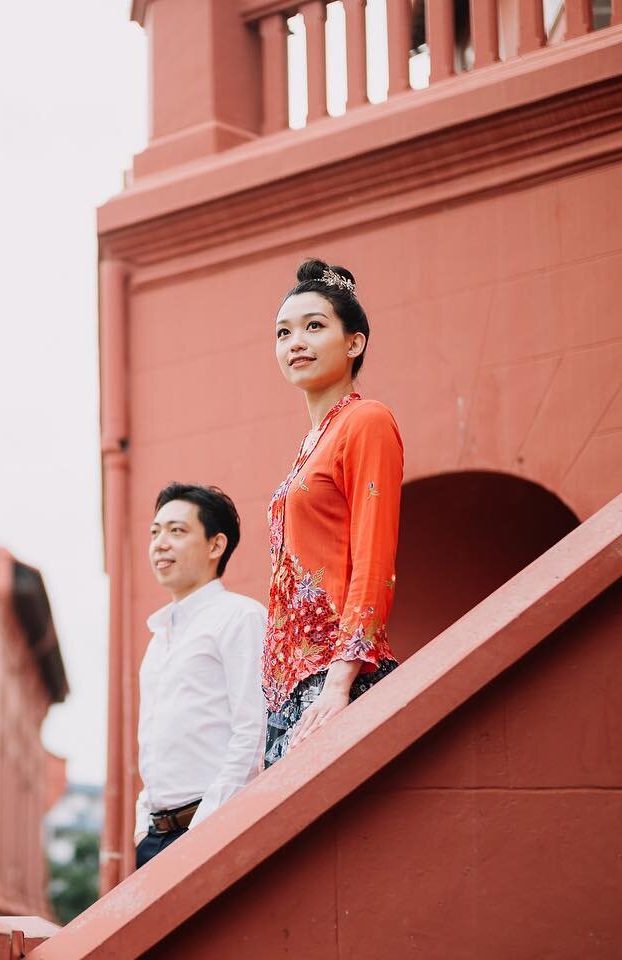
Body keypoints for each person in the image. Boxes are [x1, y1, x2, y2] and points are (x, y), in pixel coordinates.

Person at [262, 259, 403, 769]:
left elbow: (374, 555)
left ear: (354, 343)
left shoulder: (366, 421)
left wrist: (340, 682)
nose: (295, 341)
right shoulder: (308, 445)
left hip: (337, 676)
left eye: (314, 326)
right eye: (284, 332)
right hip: (288, 687)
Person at [135, 483, 266, 868]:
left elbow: (253, 731)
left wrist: (205, 829)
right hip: (155, 838)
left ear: (215, 545)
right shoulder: (158, 638)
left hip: (208, 832)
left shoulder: (240, 617)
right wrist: (144, 824)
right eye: (155, 532)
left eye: (177, 531)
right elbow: (154, 741)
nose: (160, 543)